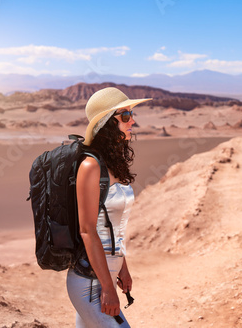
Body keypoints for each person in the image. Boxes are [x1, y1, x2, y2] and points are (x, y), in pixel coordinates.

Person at [66, 87, 151, 327]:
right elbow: (87, 230)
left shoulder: (113, 165)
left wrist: (122, 267)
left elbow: (113, 225)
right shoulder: (90, 167)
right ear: (106, 123)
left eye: (131, 114)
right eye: (125, 116)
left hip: (107, 275)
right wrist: (107, 287)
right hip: (89, 283)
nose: (132, 120)